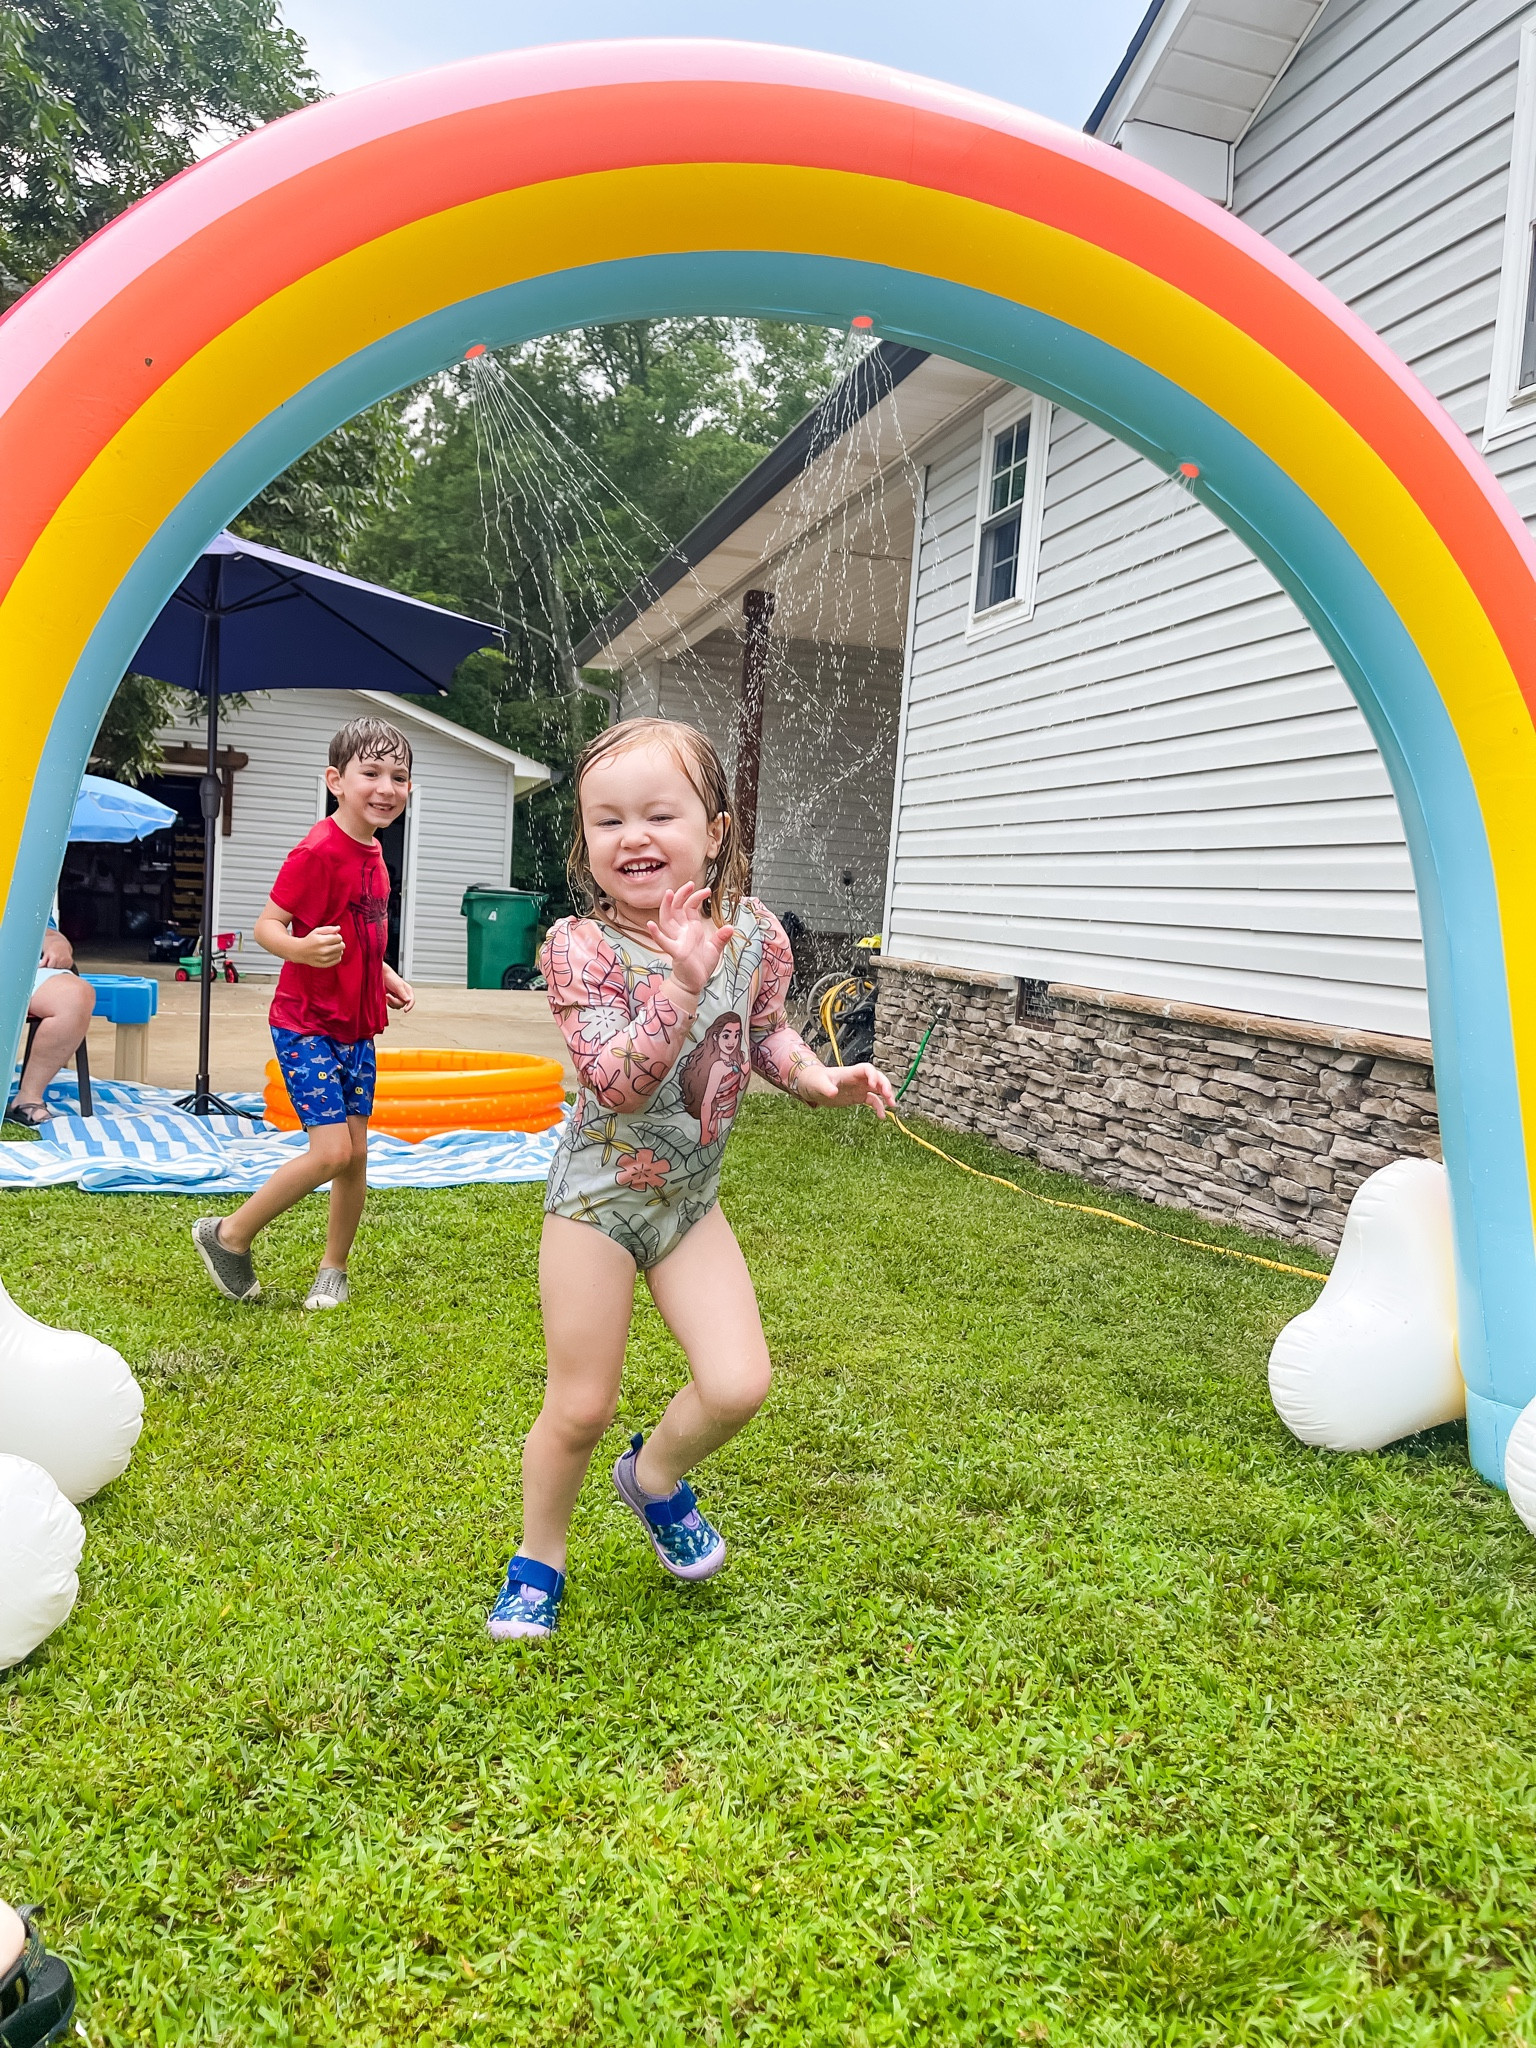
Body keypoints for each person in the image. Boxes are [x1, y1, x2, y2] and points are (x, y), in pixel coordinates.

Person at [488, 716, 895, 1642]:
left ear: (712, 831)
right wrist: (675, 984)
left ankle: (655, 1478)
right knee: (580, 1405)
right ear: (585, 841)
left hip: (688, 1206)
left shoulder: (752, 933)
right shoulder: (579, 949)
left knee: (738, 1384)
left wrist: (817, 1077)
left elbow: (763, 1032)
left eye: (658, 815)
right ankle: (538, 1557)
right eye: (606, 821)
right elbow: (617, 1084)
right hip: (596, 1205)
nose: (632, 837)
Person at [190, 718, 415, 1311]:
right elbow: (269, 925)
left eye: (399, 776)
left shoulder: (376, 853)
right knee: (332, 1151)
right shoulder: (316, 851)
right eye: (371, 773)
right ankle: (228, 1234)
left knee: (356, 1154)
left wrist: (382, 972)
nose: (386, 787)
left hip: (356, 1023)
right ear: (336, 780)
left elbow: (362, 930)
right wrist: (298, 948)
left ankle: (332, 1268)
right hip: (305, 1021)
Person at [6, 925, 95, 1126]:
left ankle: (29, 1097)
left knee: (74, 997)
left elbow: (45, 931)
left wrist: (58, 946)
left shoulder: (22, 892)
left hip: (19, 968)